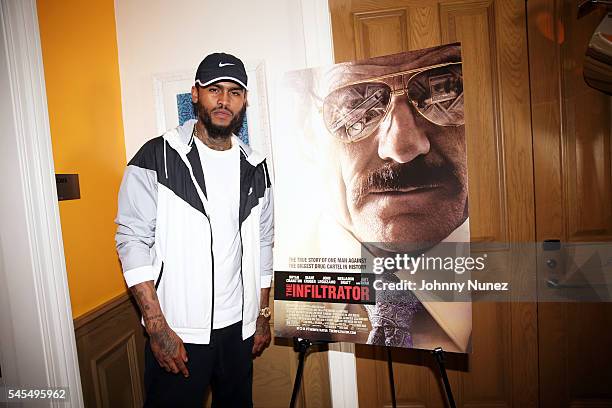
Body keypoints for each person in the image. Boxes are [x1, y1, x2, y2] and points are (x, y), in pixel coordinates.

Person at [276, 43, 470, 352]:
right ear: (306, 133)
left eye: (444, 90)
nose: (402, 146)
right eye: (358, 106)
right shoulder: (276, 305)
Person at [115, 52, 274, 407]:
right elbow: (131, 239)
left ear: (244, 100)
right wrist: (156, 327)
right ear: (195, 94)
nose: (224, 100)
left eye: (235, 92)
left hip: (239, 332)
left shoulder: (256, 166)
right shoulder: (156, 156)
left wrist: (262, 316)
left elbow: (264, 243)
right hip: (179, 332)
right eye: (214, 89)